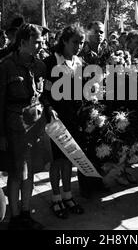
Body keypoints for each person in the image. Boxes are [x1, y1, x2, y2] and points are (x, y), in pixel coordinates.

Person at [0, 24, 50, 230]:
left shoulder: (40, 66)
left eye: (42, 42)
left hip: (35, 126)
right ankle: (15, 217)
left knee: (31, 172)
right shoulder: (4, 67)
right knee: (16, 173)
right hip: (14, 127)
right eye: (37, 42)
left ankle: (26, 212)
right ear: (23, 42)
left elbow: (43, 94)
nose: (41, 45)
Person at [43, 25, 86, 216]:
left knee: (69, 158)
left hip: (73, 117)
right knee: (56, 161)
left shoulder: (79, 62)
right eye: (75, 42)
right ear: (65, 41)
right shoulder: (52, 61)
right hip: (55, 117)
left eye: (81, 42)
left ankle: (68, 195)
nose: (78, 46)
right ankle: (56, 198)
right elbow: (44, 92)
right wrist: (50, 108)